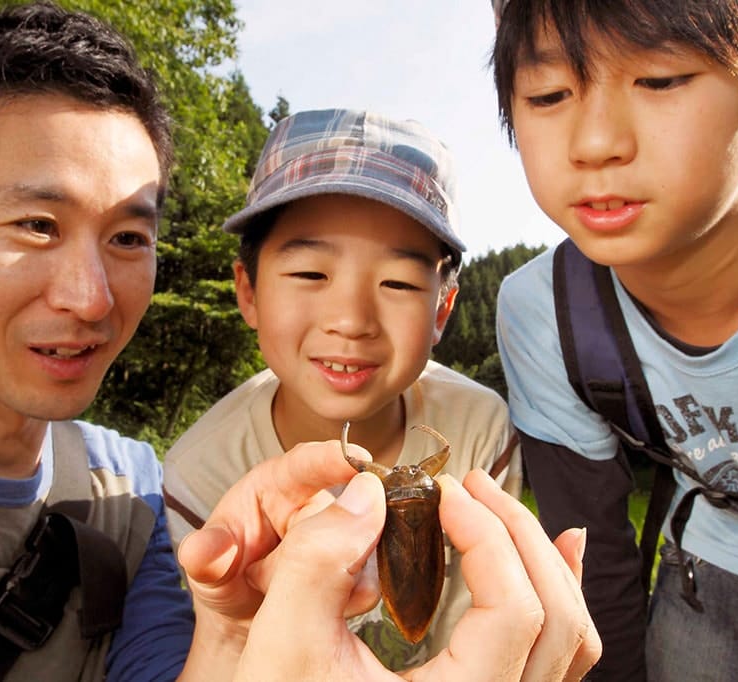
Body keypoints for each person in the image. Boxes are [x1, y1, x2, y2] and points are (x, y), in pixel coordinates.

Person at [0, 3, 602, 680]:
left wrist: (228, 638)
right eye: (36, 225)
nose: (89, 296)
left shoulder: (131, 491)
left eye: (127, 237)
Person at [488, 0, 738, 680]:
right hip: (712, 591)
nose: (595, 143)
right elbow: (589, 553)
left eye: (660, 80)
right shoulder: (544, 315)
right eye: (549, 95)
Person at [162, 107, 524, 670]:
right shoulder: (200, 472)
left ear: (442, 309)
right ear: (248, 291)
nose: (351, 321)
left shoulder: (481, 429)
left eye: (398, 282)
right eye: (311, 273)